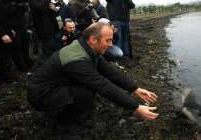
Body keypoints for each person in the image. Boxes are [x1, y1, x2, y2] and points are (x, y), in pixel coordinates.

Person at [28, 23, 159, 127]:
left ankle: (69, 110)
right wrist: (134, 107)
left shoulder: (87, 47)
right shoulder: (76, 59)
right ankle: (65, 121)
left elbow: (109, 71)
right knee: (85, 92)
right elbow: (102, 85)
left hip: (58, 85)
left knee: (88, 88)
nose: (111, 44)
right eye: (108, 40)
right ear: (93, 39)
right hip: (41, 95)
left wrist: (135, 88)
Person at [0, 0, 31, 82]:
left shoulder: (7, 3)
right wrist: (3, 34)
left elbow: (8, 17)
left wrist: (10, 29)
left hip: (8, 30)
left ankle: (8, 74)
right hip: (1, 33)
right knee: (3, 55)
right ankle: (6, 77)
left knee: (8, 54)